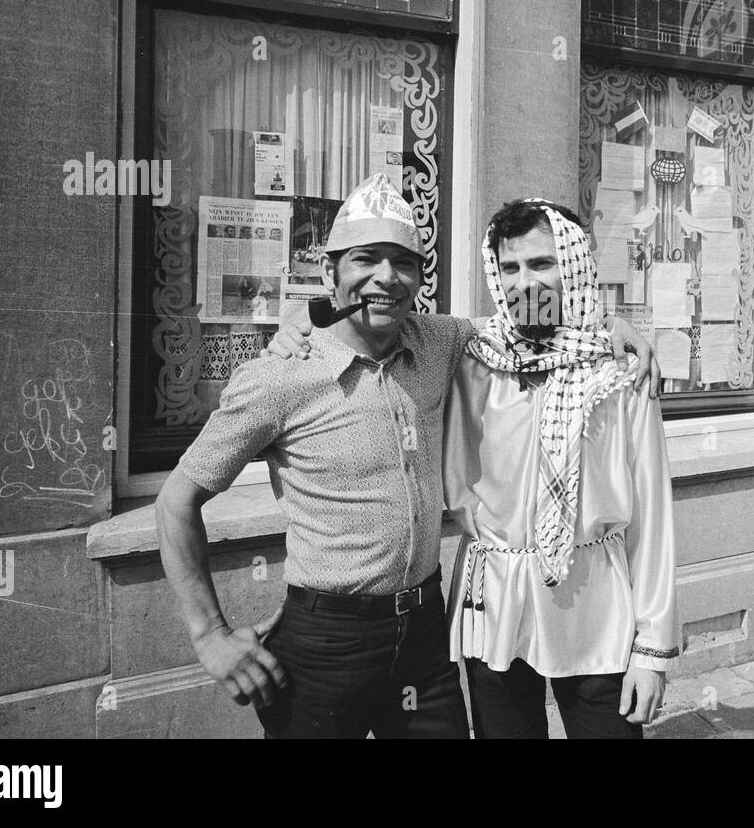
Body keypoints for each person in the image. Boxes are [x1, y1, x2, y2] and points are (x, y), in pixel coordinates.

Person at [159, 176, 657, 739]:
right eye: (365, 260)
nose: (385, 277)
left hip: (424, 638)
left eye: (403, 262)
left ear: (421, 278)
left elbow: (530, 328)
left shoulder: (441, 343)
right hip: (327, 643)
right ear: (329, 273)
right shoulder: (278, 377)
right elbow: (176, 501)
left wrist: (608, 325)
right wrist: (209, 636)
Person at [447, 200, 677, 738]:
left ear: (573, 264)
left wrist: (651, 651)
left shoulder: (620, 370)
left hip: (595, 606)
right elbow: (381, 319)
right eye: (510, 267)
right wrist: (301, 321)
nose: (524, 282)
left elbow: (653, 517)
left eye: (541, 263)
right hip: (497, 602)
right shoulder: (472, 357)